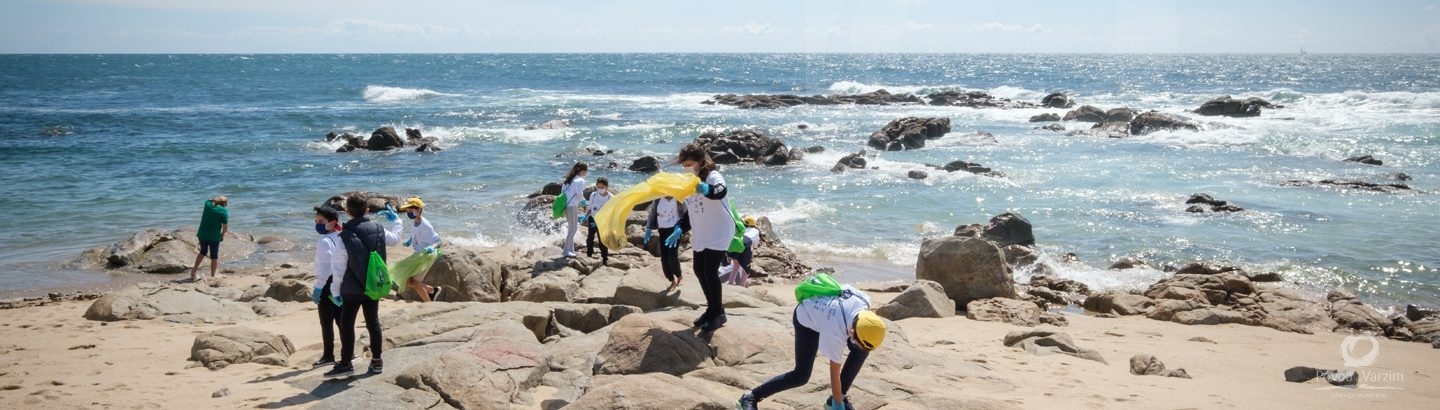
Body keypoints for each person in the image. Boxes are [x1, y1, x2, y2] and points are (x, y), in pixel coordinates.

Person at [735, 283, 887, 410]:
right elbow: (834, 371)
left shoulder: (864, 302)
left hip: (826, 314)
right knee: (801, 375)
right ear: (852, 332)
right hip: (806, 319)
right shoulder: (836, 330)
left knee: (861, 351)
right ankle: (750, 397)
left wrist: (837, 398)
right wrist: (838, 406)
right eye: (857, 339)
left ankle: (836, 398)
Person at [325, 194, 402, 379]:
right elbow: (395, 239)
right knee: (373, 323)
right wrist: (397, 220)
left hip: (351, 289)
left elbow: (339, 266)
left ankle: (346, 364)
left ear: (347, 212)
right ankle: (377, 361)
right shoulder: (378, 228)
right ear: (367, 210)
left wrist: (335, 290)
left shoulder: (344, 236)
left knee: (346, 324)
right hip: (373, 285)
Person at [675, 143, 736, 331]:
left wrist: (707, 190)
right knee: (698, 269)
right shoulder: (689, 181)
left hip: (719, 230)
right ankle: (711, 309)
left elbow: (720, 191)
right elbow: (691, 210)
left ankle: (719, 313)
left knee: (709, 271)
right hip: (702, 231)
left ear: (700, 162)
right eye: (684, 164)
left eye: (690, 163)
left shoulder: (712, 176)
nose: (686, 167)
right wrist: (680, 227)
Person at [310, 205, 346, 367]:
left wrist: (318, 287)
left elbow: (325, 267)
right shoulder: (341, 236)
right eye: (316, 221)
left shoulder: (324, 241)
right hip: (341, 282)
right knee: (341, 319)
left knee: (326, 321)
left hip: (327, 284)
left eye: (321, 221)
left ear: (332, 222)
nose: (317, 224)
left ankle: (328, 355)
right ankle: (348, 352)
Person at [396, 197, 443, 302]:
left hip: (427, 256)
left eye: (411, 210)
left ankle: (429, 304)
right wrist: (410, 240)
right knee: (408, 281)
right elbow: (416, 234)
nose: (408, 212)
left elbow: (439, 241)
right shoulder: (414, 221)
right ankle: (432, 290)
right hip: (419, 255)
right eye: (408, 210)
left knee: (413, 283)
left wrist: (432, 247)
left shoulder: (425, 225)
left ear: (418, 210)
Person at [644, 196, 687, 292]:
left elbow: (686, 215)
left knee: (672, 256)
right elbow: (652, 214)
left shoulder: (679, 199)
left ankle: (679, 275)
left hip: (675, 231)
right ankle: (671, 280)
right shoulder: (658, 199)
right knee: (664, 258)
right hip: (663, 231)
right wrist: (648, 228)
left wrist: (682, 230)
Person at [189, 196, 229, 281]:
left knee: (202, 252)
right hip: (214, 237)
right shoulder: (224, 211)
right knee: (214, 257)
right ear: (224, 204)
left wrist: (217, 199)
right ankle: (212, 276)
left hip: (202, 234)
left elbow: (210, 199)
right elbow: (225, 227)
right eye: (227, 202)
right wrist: (221, 236)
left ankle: (193, 272)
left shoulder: (208, 205)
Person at [560, 162, 589, 258]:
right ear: (582, 171)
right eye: (586, 171)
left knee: (571, 227)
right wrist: (584, 202)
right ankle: (565, 250)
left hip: (565, 205)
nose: (586, 173)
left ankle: (571, 249)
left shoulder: (568, 179)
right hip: (572, 206)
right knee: (574, 228)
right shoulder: (580, 180)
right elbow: (579, 194)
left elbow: (563, 193)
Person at [723, 215, 760, 287]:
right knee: (746, 271)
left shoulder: (741, 229)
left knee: (735, 267)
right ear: (753, 225)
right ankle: (741, 287)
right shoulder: (755, 231)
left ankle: (730, 283)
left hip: (734, 248)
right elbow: (755, 245)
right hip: (745, 249)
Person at [583, 177, 613, 265]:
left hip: (603, 221)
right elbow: (590, 208)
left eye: (602, 187)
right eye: (598, 187)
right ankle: (589, 254)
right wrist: (585, 216)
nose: (600, 189)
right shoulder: (593, 195)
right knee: (590, 236)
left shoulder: (610, 197)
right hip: (593, 218)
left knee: (602, 238)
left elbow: (612, 211)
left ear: (606, 187)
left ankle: (605, 257)